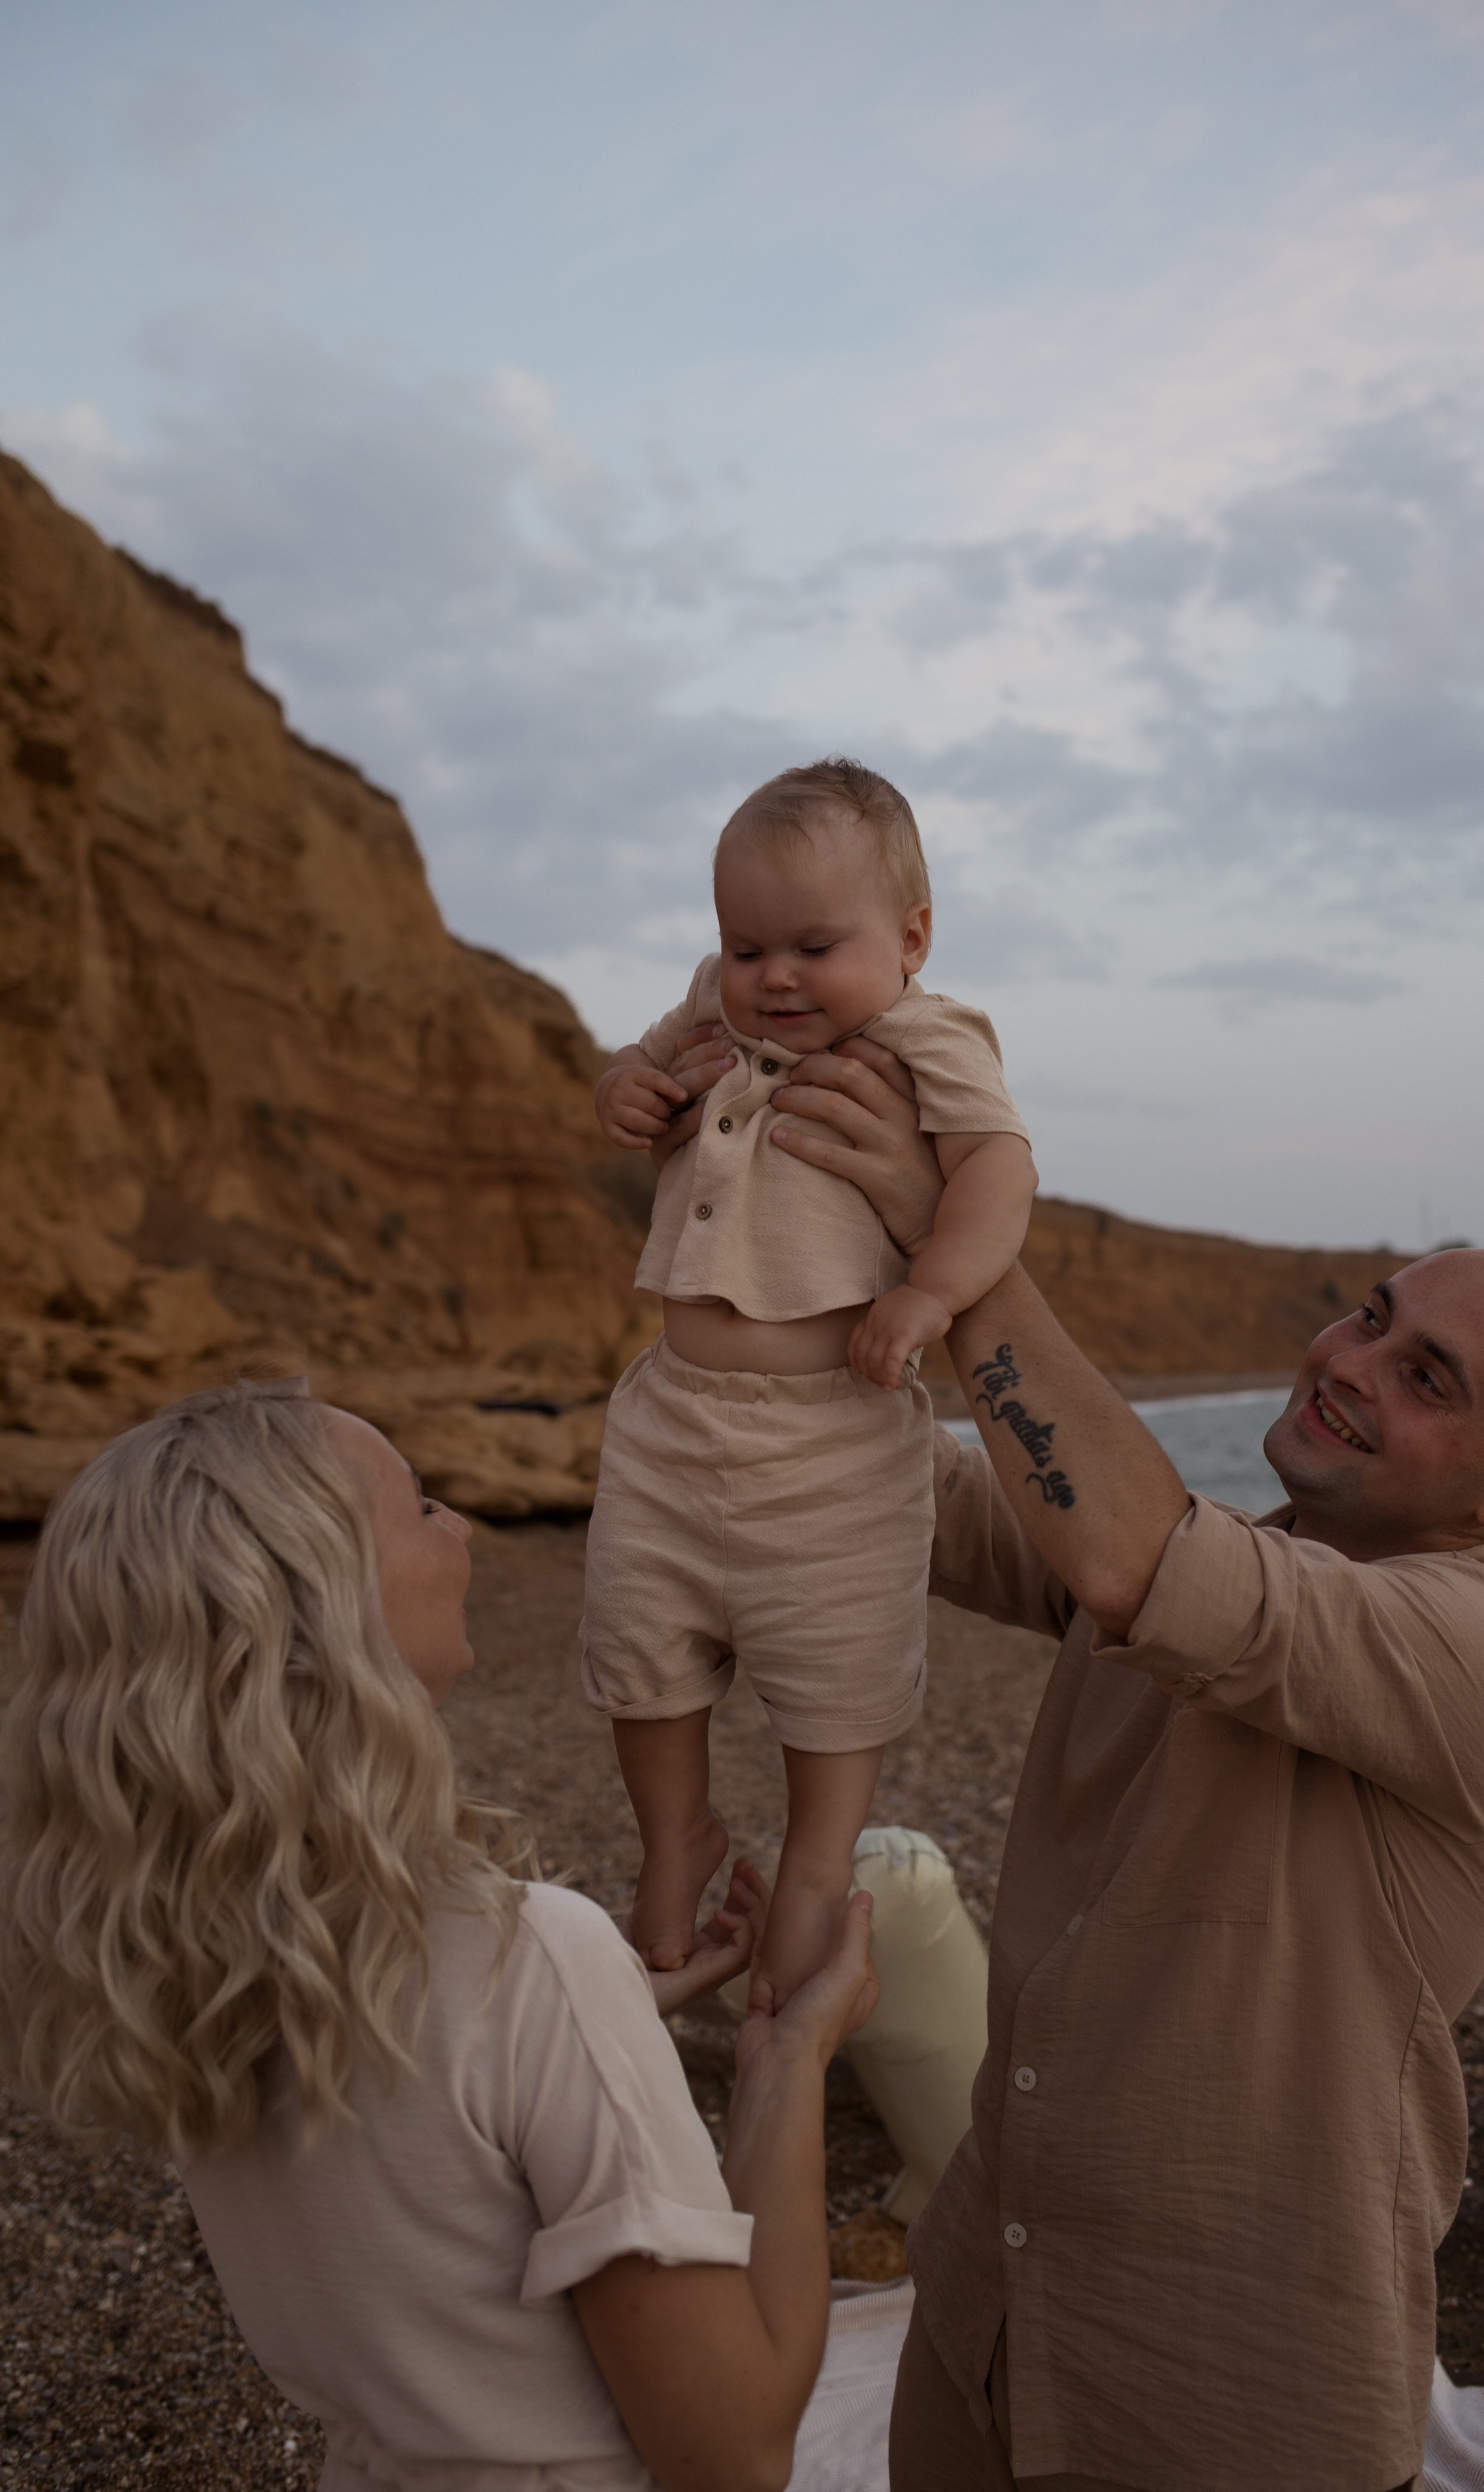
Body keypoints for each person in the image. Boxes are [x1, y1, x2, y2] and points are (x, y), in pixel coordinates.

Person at [753, 1048, 1484, 2492]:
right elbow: (922, 1492)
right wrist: (761, 1261)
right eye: (1370, 1316)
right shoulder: (1206, 1557)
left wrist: (955, 1233)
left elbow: (1128, 1557)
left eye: (1424, 1378)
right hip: (984, 2293)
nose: (1349, 1364)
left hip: (1225, 2384)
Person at [0, 1380, 880, 2492]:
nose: (458, 1526)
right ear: (328, 1606)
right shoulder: (529, 1959)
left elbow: (427, 2124)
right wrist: (788, 2063)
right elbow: (735, 2454)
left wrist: (600, 2017)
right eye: (418, 1506)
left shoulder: (188, 1966)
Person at [585, 757, 1036, 2004]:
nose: (772, 977)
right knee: (638, 1646)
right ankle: (676, 1834)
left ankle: (812, 1881)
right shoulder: (715, 1009)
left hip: (836, 1438)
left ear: (911, 940)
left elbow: (998, 1169)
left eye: (813, 947)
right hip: (673, 1420)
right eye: (747, 947)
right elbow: (638, 1057)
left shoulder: (927, 1036)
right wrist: (625, 1086)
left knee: (839, 1680)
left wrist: (930, 1291)